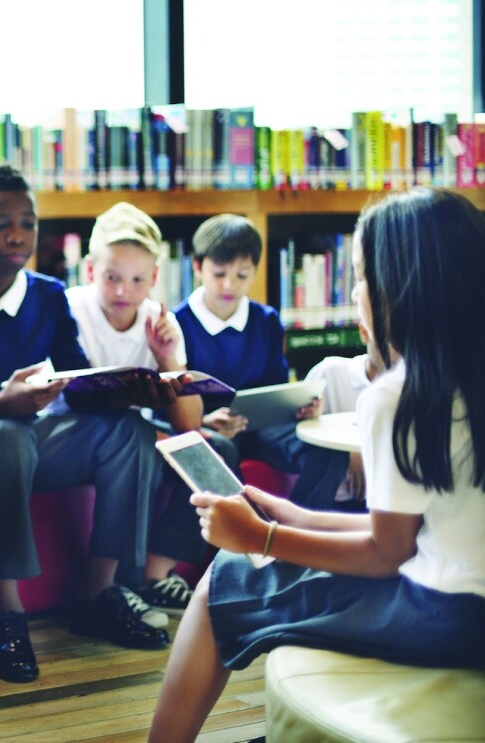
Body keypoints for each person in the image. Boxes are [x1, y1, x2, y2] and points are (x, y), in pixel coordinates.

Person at [147, 187, 485, 742]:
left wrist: (261, 537)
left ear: (395, 290)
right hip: (467, 599)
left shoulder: (399, 394)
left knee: (223, 581)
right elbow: (416, 532)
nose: (355, 293)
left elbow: (386, 552)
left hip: (445, 613)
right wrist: (292, 516)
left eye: (359, 277)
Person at [0, 165, 182, 685]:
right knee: (9, 436)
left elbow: (75, 379)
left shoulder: (48, 293)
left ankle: (98, 591)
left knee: (129, 430)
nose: (17, 235)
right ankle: (7, 613)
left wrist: (129, 389)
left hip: (35, 438)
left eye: (28, 223)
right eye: (0, 223)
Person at [56, 202, 209, 616]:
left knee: (213, 451)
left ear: (155, 279)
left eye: (137, 279)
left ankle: (155, 575)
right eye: (111, 278)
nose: (123, 291)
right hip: (76, 439)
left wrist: (168, 361)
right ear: (90, 271)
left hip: (134, 441)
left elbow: (189, 424)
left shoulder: (160, 322)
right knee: (132, 432)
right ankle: (112, 585)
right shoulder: (68, 310)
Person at [174, 214, 348, 510]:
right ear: (197, 267)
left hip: (261, 428)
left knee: (328, 451)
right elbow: (168, 402)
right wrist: (203, 420)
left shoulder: (265, 321)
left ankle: (294, 535)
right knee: (220, 450)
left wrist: (300, 407)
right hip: (208, 431)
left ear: (255, 272)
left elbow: (276, 388)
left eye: (242, 275)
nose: (229, 285)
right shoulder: (178, 324)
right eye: (219, 273)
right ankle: (241, 542)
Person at [303, 321, 385, 508]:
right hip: (335, 502)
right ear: (364, 332)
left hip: (387, 505)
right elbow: (294, 431)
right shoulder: (330, 372)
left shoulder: (415, 384)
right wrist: (348, 452)